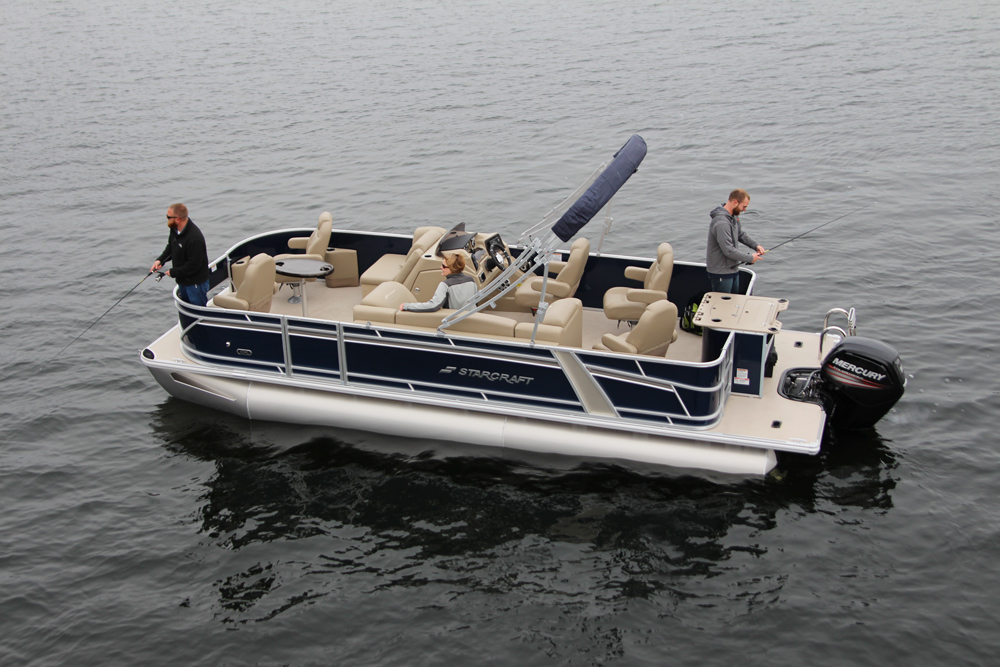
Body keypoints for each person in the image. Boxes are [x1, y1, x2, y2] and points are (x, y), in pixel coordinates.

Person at [706, 189, 766, 294]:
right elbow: (728, 250)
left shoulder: (733, 217)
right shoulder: (721, 223)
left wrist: (756, 246)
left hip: (732, 269)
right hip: (721, 273)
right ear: (735, 202)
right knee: (724, 306)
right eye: (744, 207)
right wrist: (750, 258)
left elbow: (740, 234)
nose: (744, 210)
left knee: (734, 302)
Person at [151, 203, 211, 306]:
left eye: (168, 217)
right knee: (186, 306)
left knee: (198, 311)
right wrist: (160, 260)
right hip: (182, 280)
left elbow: (193, 265)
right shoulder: (174, 229)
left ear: (178, 219)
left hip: (195, 284)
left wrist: (173, 272)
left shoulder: (194, 238)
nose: (166, 218)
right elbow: (171, 247)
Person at [399, 254, 476, 312]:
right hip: (471, 317)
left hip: (454, 321)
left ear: (452, 268)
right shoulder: (471, 280)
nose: (441, 267)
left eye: (443, 266)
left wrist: (407, 306)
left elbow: (433, 306)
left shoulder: (445, 285)